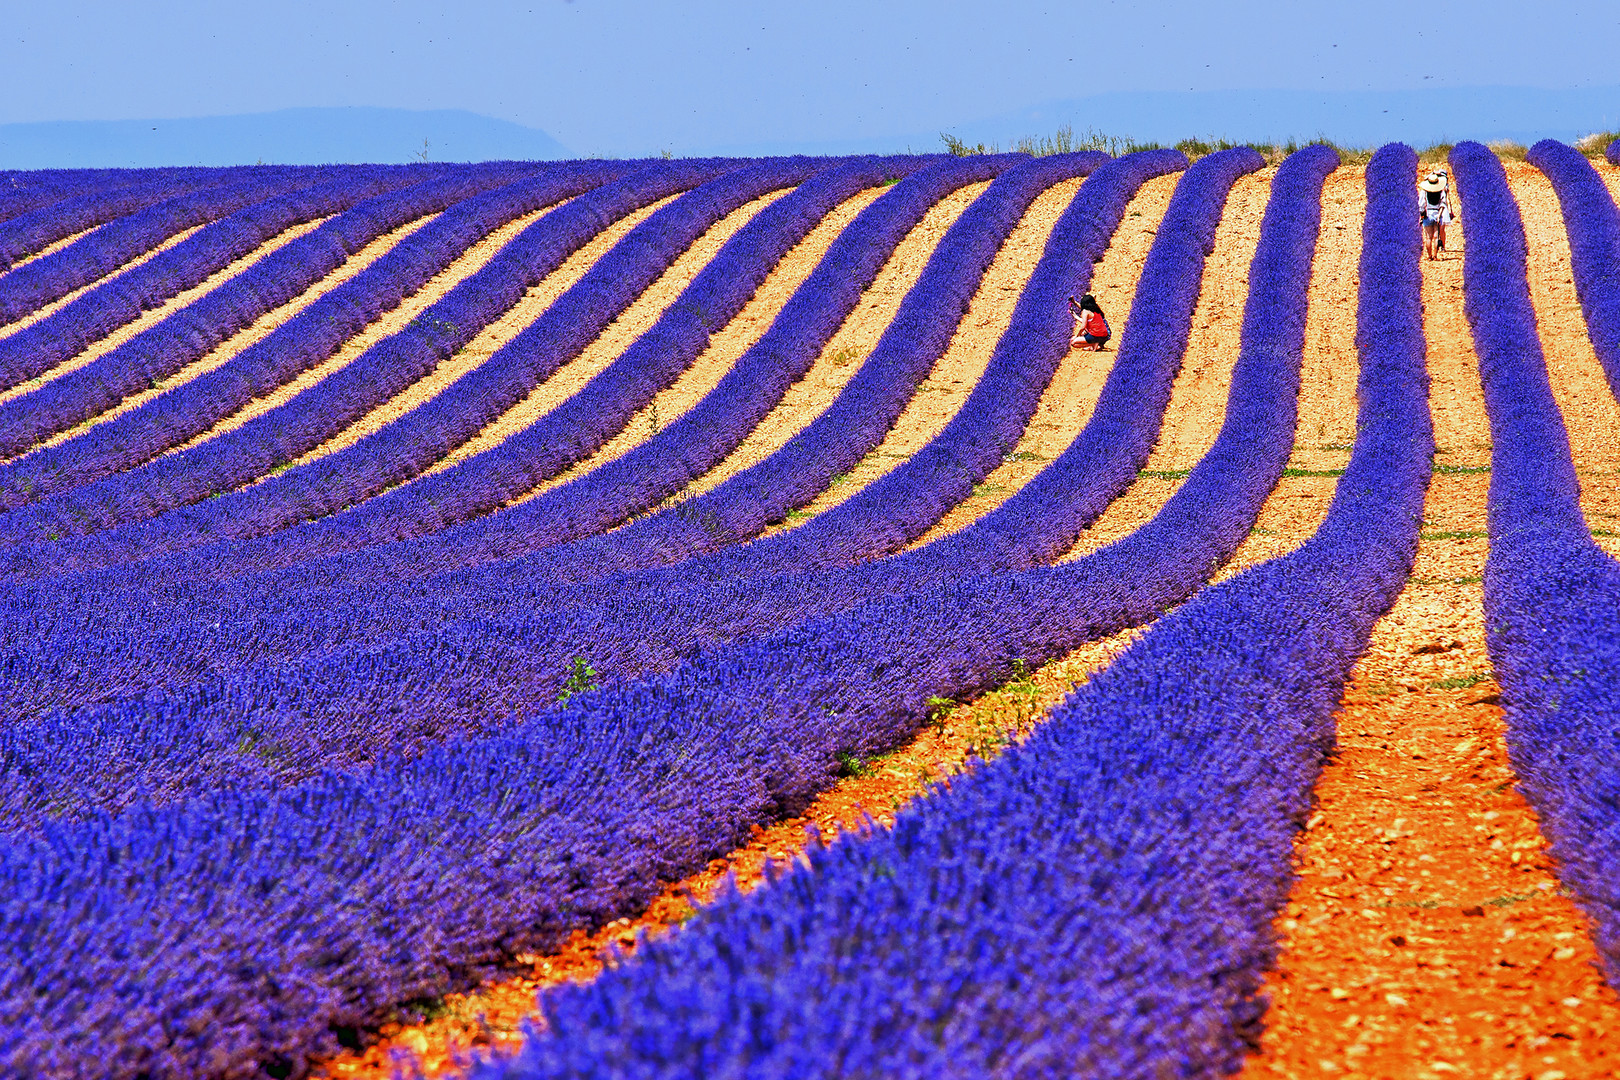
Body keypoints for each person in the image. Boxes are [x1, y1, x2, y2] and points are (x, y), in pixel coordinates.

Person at [1418, 169, 1453, 261]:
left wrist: (1422, 216)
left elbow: (1421, 205)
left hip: (1427, 214)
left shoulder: (1424, 192)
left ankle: (1429, 256)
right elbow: (1443, 204)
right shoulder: (1441, 191)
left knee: (1428, 237)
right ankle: (1435, 256)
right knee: (1436, 236)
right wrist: (1439, 215)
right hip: (1437, 214)